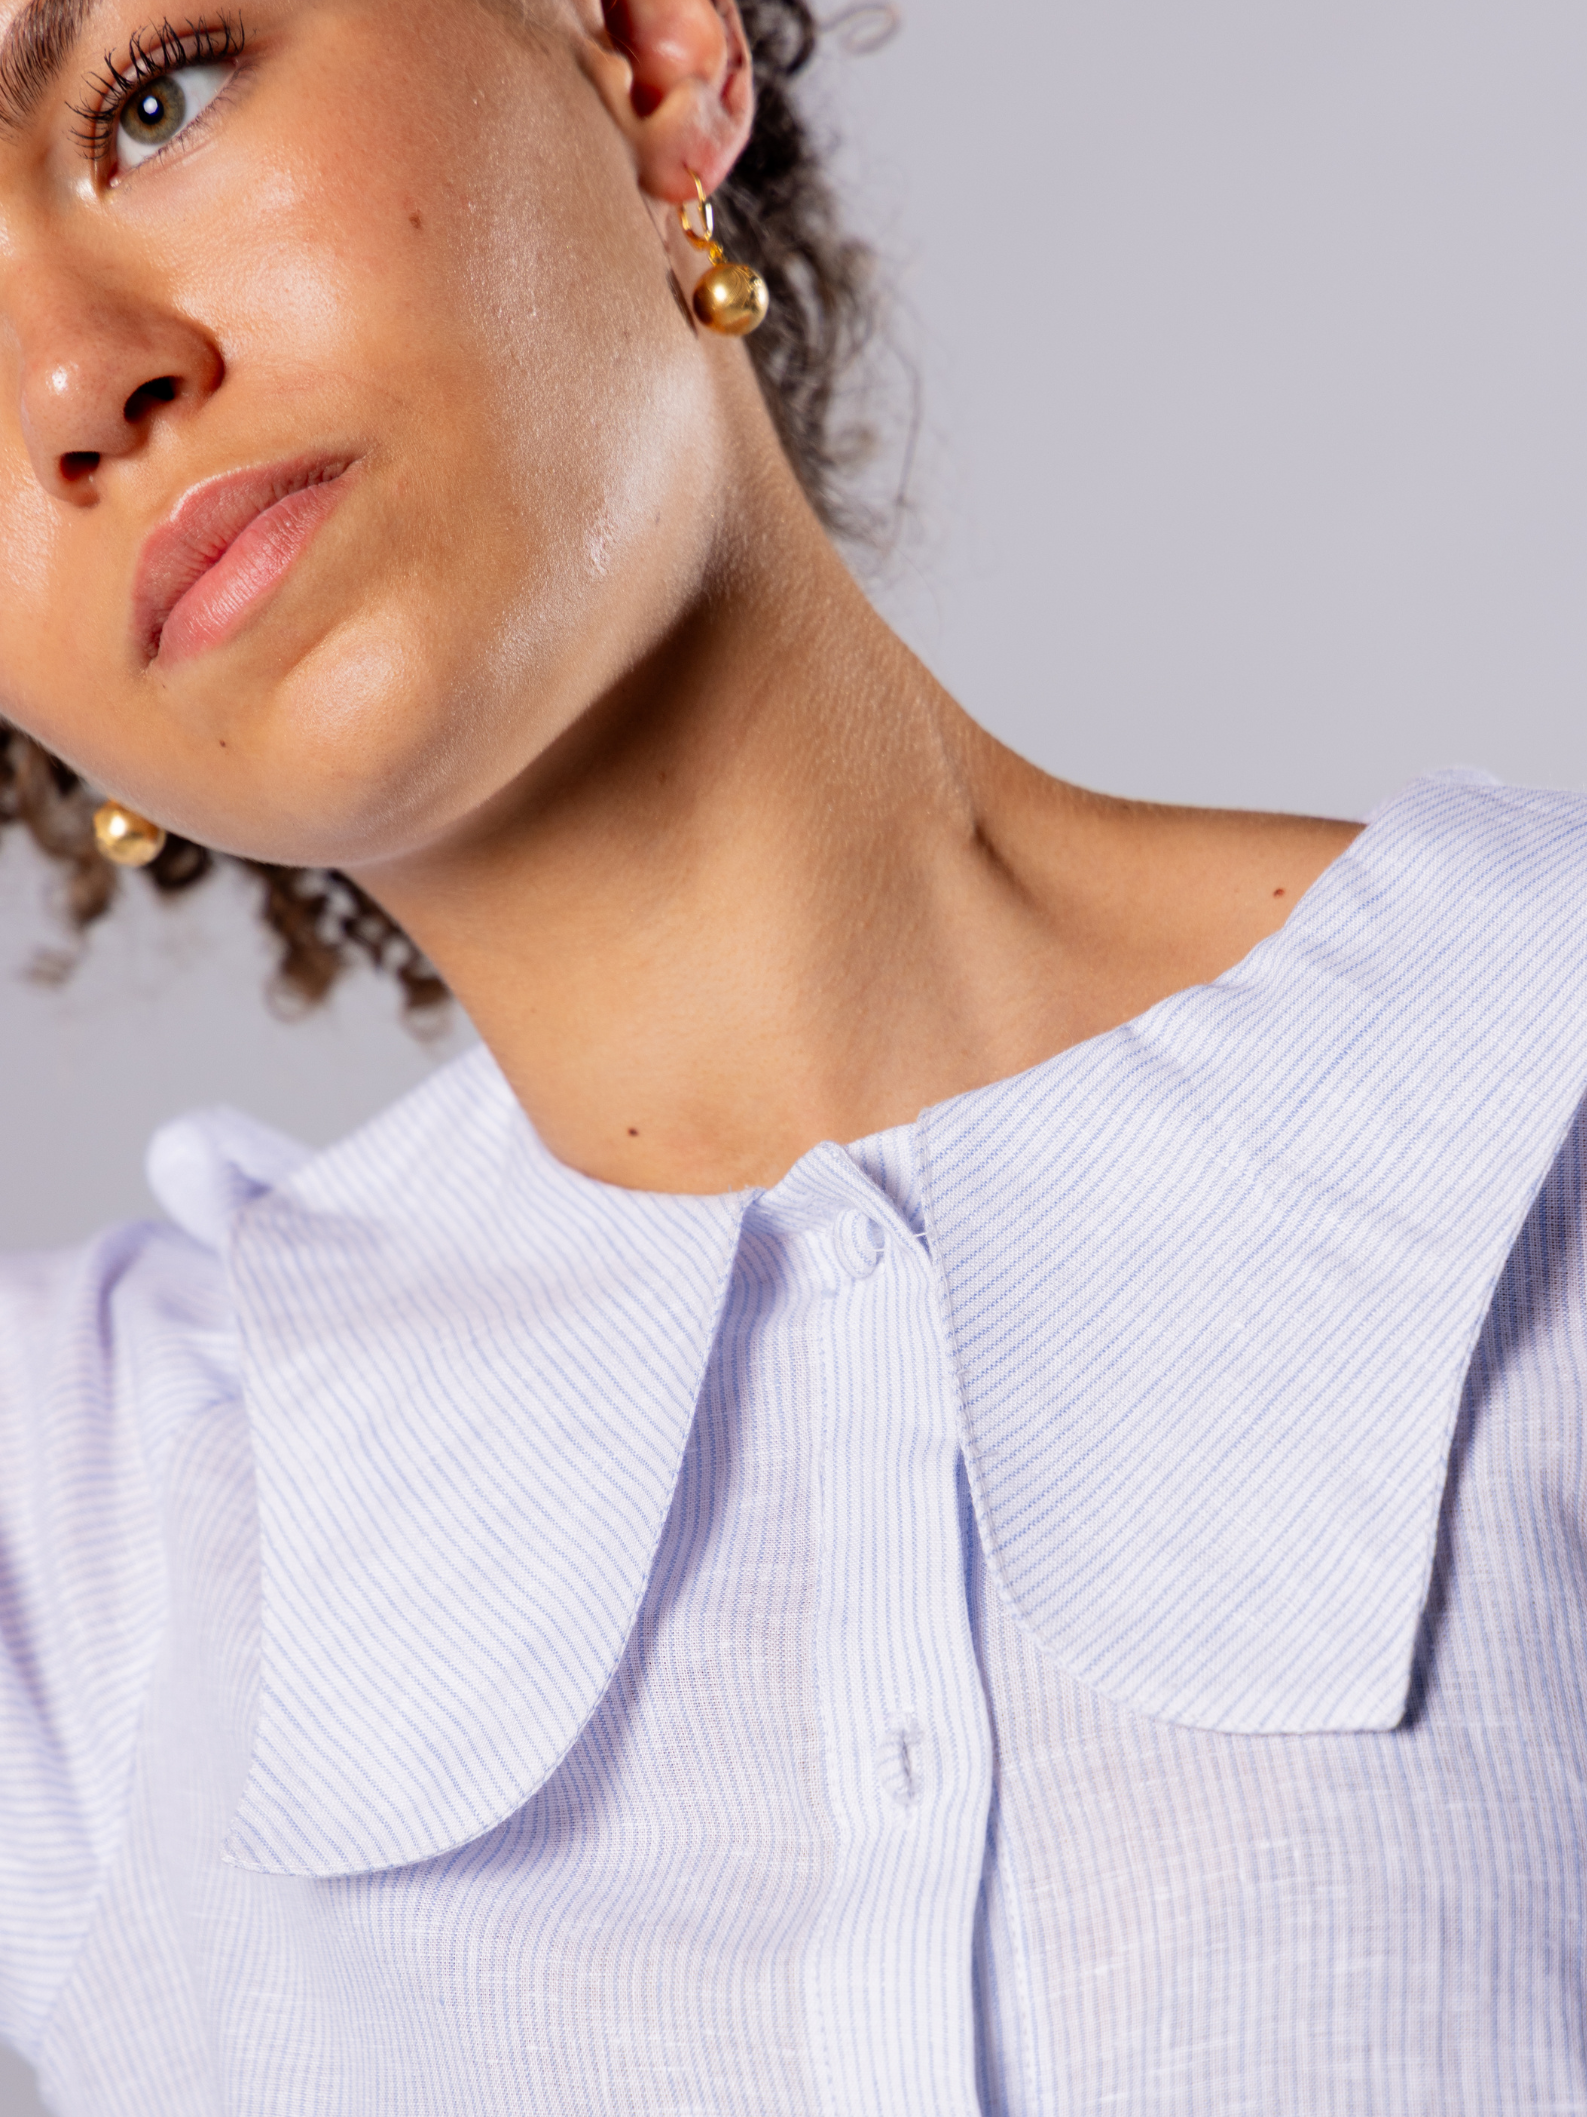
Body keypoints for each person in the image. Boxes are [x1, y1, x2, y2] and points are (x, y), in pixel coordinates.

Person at [1, 0, 1584, 2110]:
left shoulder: (1526, 1068)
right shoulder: (76, 1530)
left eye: (156, 96)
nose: (63, 382)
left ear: (646, 52)